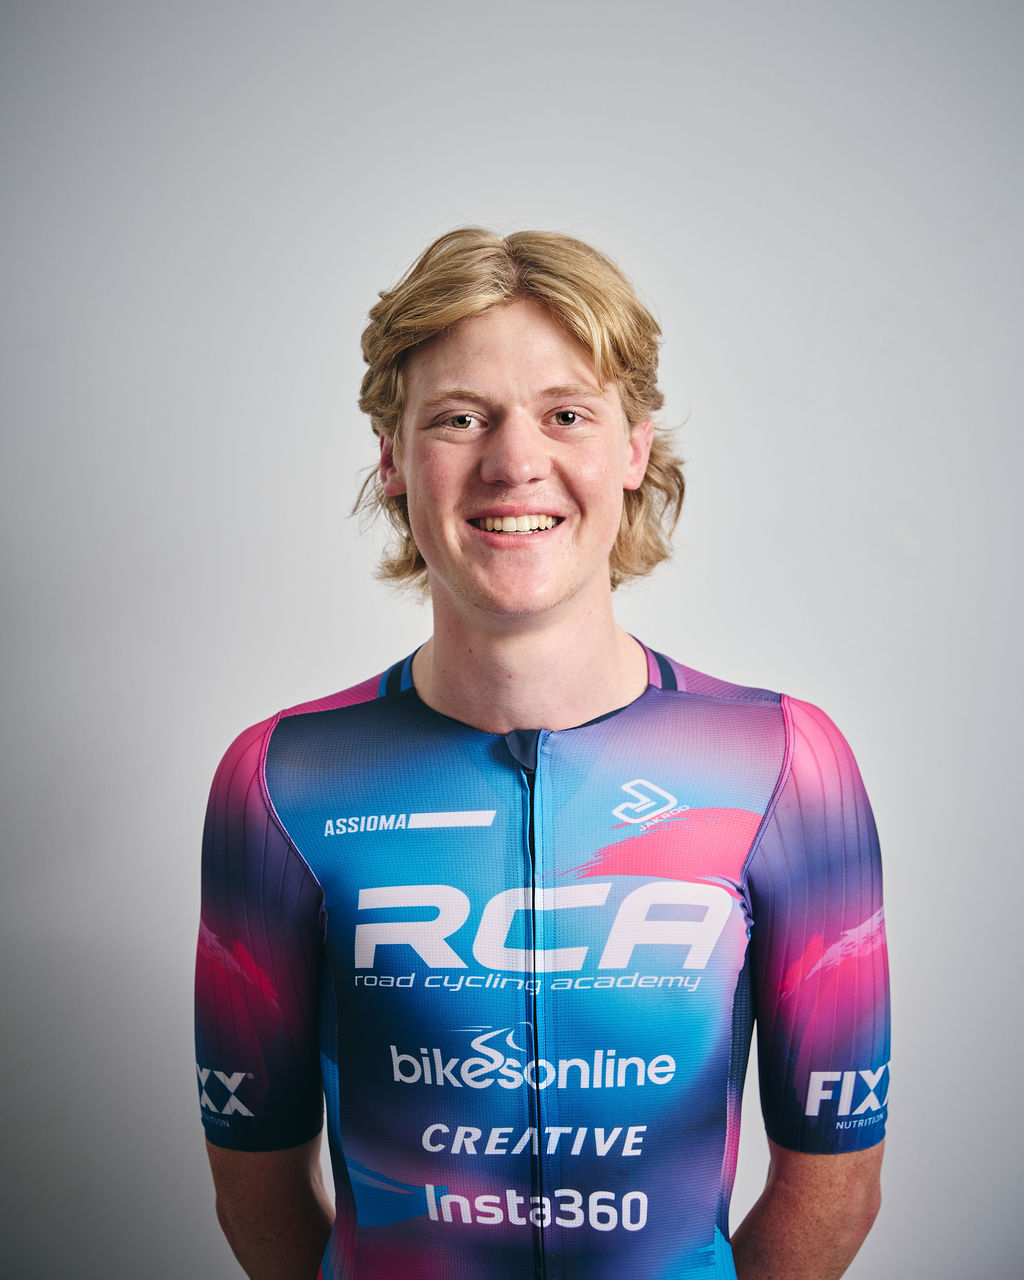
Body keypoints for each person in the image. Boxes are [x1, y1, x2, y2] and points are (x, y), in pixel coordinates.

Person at [195, 228, 890, 1280]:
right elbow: (254, 1180)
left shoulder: (784, 765)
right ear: (393, 459)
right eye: (459, 417)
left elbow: (833, 1179)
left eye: (567, 414)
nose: (515, 461)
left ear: (633, 450)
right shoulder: (282, 780)